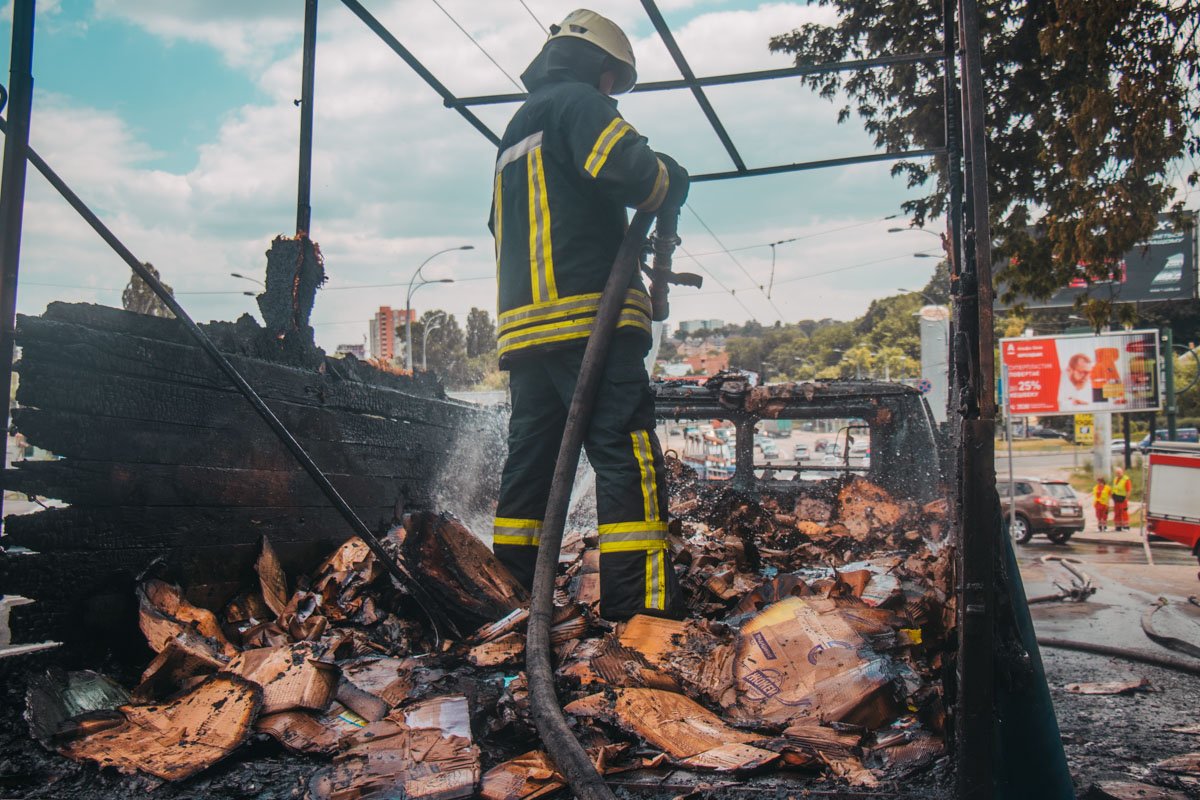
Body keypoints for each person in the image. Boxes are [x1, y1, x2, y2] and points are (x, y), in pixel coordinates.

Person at [488, 9, 689, 620]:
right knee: (625, 453)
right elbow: (634, 173)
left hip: (527, 333)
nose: (611, 92)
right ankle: (643, 611)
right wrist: (670, 178)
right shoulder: (579, 105)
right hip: (586, 319)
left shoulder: (514, 132)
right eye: (612, 80)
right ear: (600, 69)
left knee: (532, 465)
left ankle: (512, 599)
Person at [1111, 466, 1132, 531]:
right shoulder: (1115, 479)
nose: (1118, 474)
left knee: (1124, 512)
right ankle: (1118, 526)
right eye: (1117, 473)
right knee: (1117, 512)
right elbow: (1114, 488)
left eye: (1119, 473)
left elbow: (1128, 490)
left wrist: (1126, 499)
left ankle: (1126, 526)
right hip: (1116, 498)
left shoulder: (1126, 479)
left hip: (1123, 498)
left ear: (1122, 472)